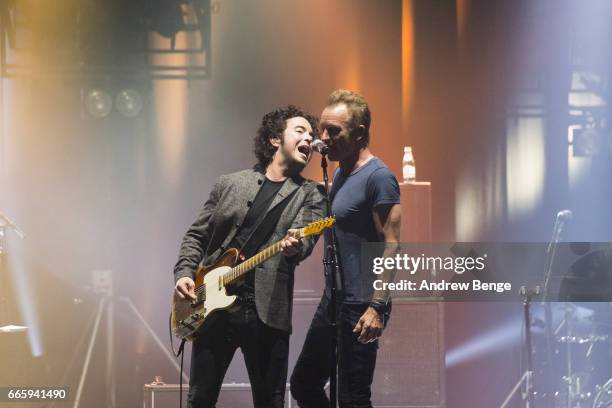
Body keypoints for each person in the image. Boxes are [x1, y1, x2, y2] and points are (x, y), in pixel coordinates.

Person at [173, 105, 326, 408]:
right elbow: (196, 235)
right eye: (300, 130)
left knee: (270, 401)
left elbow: (304, 245)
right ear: (274, 139)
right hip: (211, 306)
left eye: (312, 134)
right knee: (199, 399)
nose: (309, 138)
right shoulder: (229, 183)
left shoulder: (312, 194)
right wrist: (185, 274)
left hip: (266, 313)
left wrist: (296, 246)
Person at [290, 90, 402, 408]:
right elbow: (343, 223)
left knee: (352, 398)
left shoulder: (379, 177)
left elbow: (392, 244)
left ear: (360, 131)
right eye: (322, 129)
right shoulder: (340, 171)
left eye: (334, 131)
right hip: (335, 298)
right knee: (304, 384)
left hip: (362, 302)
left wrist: (377, 307)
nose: (323, 138)